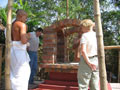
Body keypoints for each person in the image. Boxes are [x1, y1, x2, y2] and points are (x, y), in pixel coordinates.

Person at [10, 9, 30, 90]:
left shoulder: (12, 25)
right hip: (20, 53)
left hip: (12, 51)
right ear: (21, 16)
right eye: (26, 17)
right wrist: (27, 36)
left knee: (14, 74)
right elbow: (23, 41)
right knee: (23, 74)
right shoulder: (22, 25)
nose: (26, 19)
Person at [77, 19, 99, 90]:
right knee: (95, 83)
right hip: (96, 59)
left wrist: (89, 63)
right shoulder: (97, 35)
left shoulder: (85, 35)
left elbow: (83, 51)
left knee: (83, 84)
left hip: (86, 60)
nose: (81, 29)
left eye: (82, 27)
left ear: (85, 27)